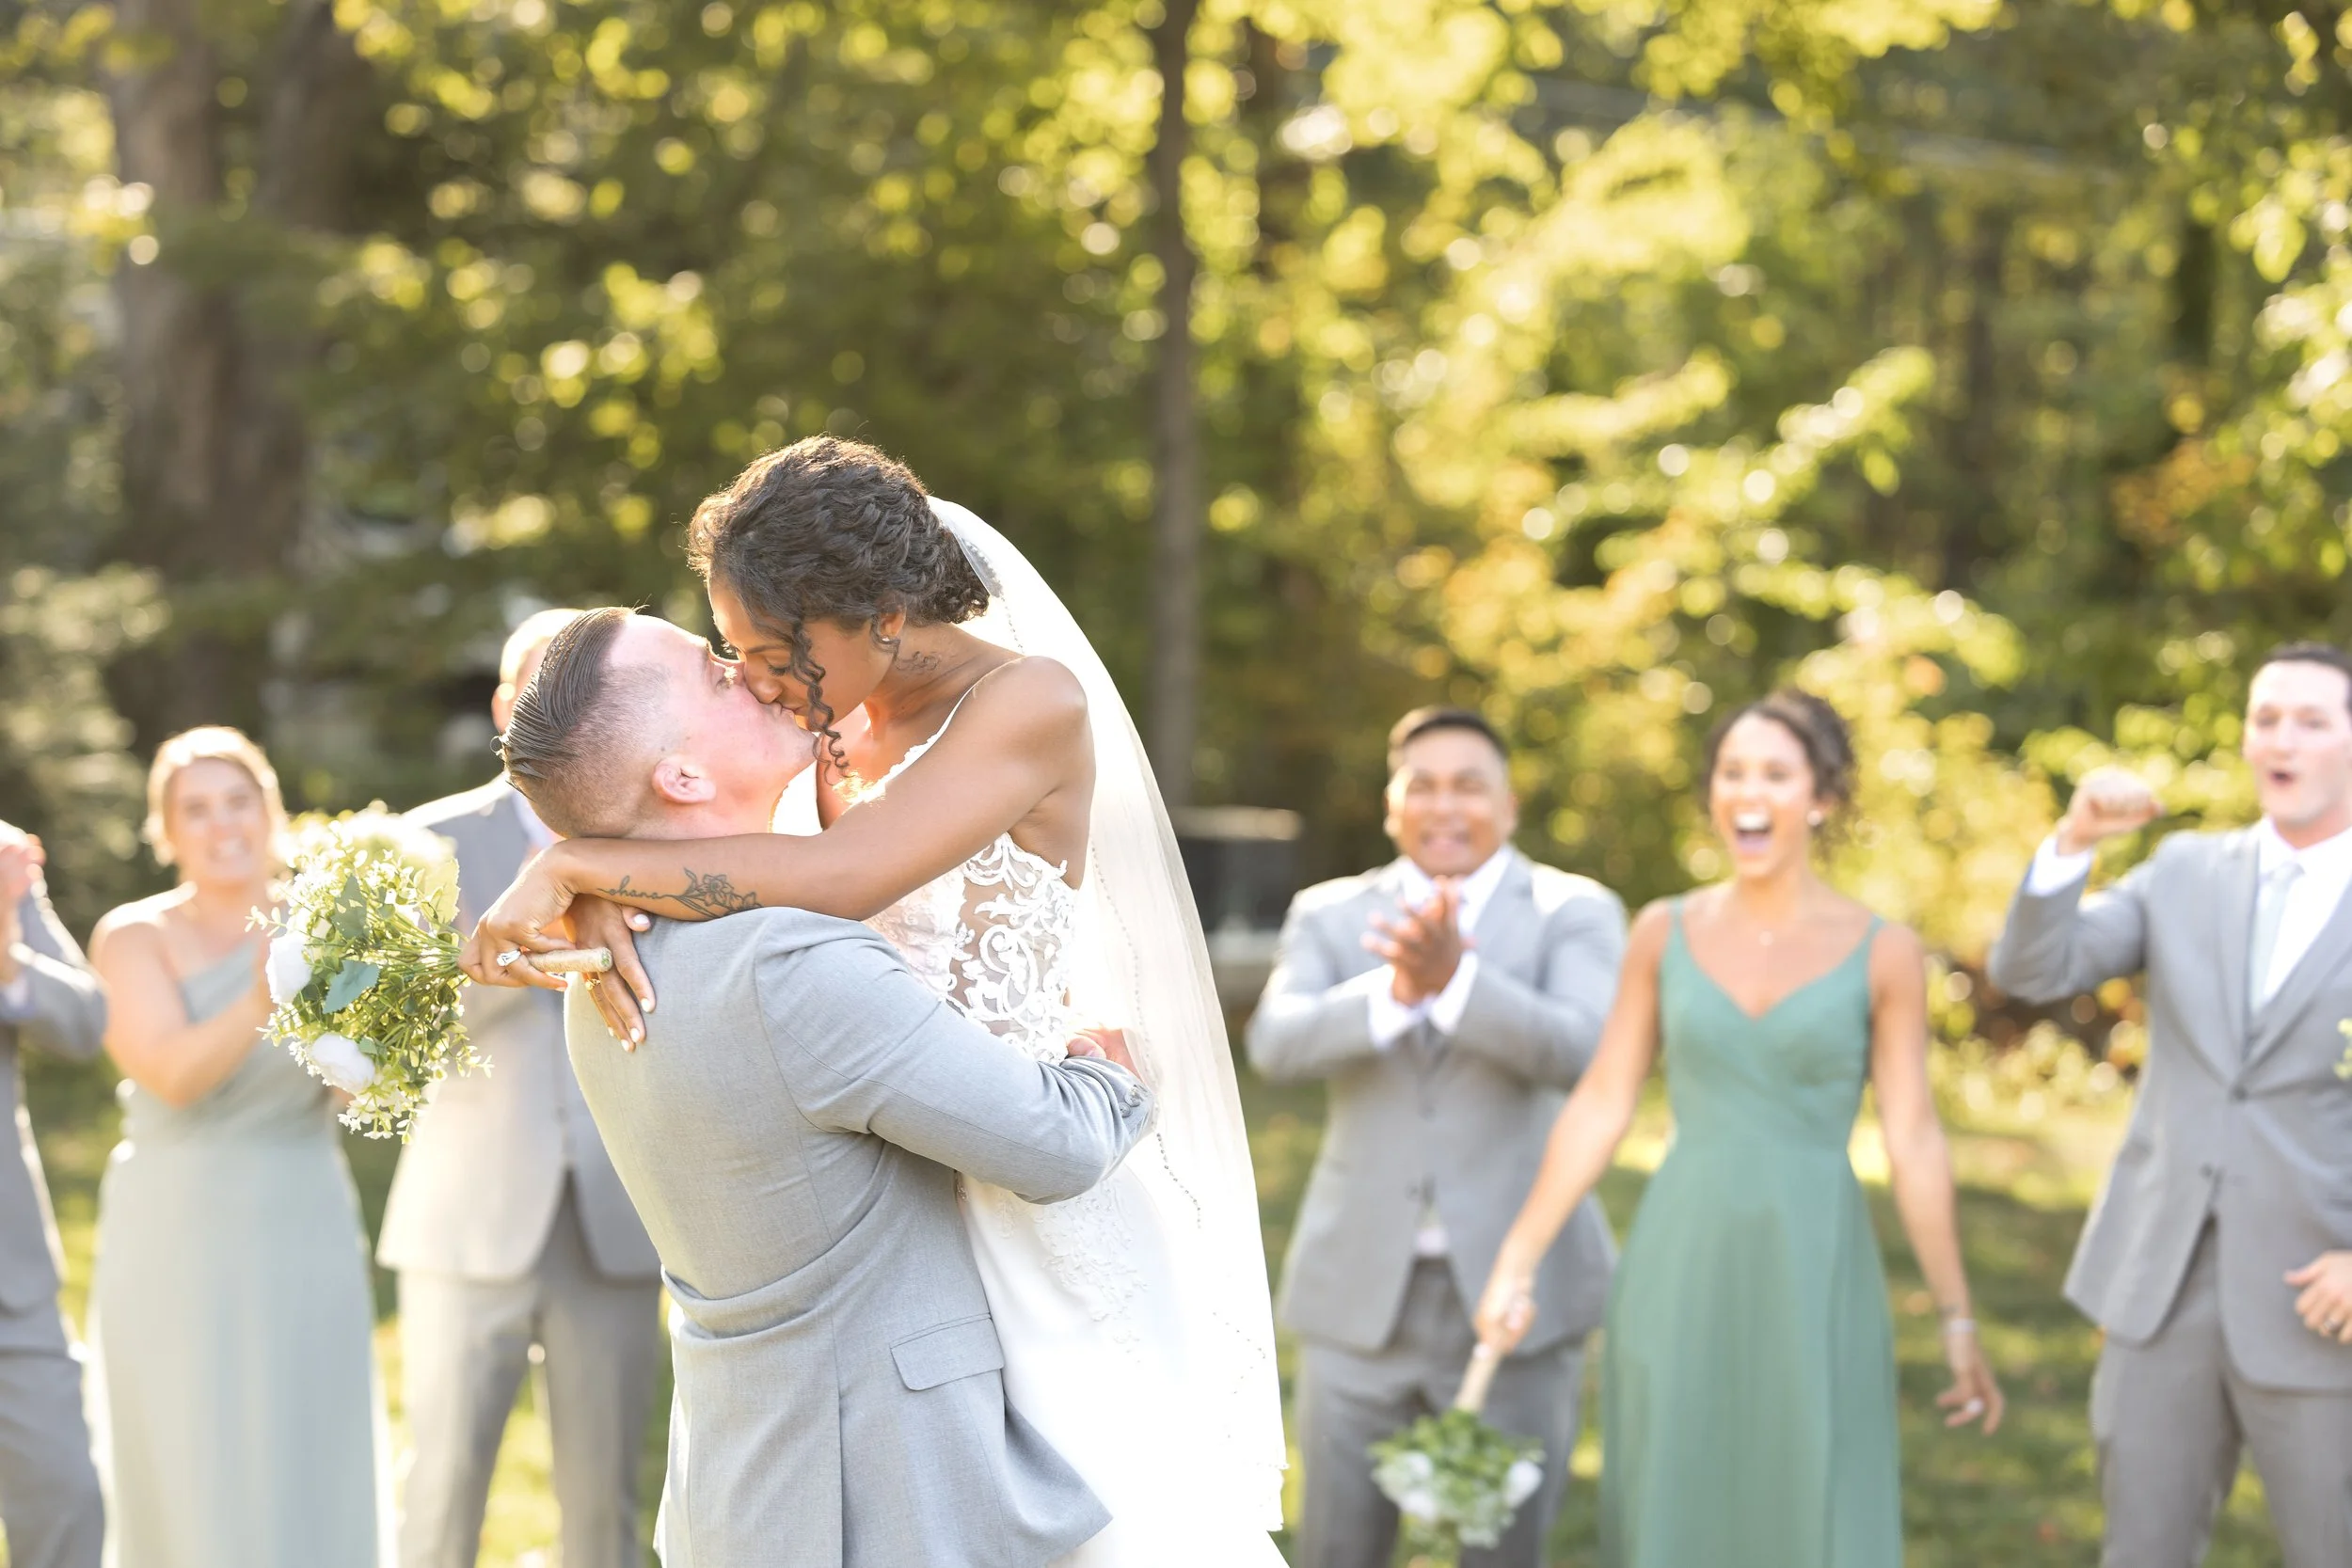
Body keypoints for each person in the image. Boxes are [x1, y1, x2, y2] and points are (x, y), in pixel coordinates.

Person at [458, 439, 1285, 1565]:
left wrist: (579, 866)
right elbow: (711, 842)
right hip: (888, 1194)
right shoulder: (816, 726)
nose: (753, 679)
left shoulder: (1023, 703)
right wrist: (596, 867)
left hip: (1026, 1166)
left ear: (883, 617)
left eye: (762, 652)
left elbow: (845, 882)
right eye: (731, 655)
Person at [498, 605, 1155, 1566]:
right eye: (717, 673)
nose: (750, 672)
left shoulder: (599, 968)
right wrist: (1113, 1069)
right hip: (883, 1488)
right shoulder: (787, 961)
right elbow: (1055, 1145)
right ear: (680, 775)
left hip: (744, 1482)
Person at [1475, 691, 2001, 1568]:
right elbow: (1603, 1100)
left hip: (1816, 1262)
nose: (1748, 791)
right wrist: (1517, 1257)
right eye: (1732, 771)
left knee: (1810, 1503)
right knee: (1677, 1505)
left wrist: (1956, 1318)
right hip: (1681, 1261)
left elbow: (1912, 1138)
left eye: (1775, 773)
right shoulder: (1662, 930)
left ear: (1820, 798)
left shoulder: (1885, 951)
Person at [1988, 641, 2352, 1568]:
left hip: (2322, 1299)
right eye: (2266, 716)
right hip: (2158, 1286)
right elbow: (2034, 967)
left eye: (2312, 719)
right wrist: (2072, 845)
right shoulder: (2185, 869)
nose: (2283, 737)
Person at [1247, 706, 1627, 1568]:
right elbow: (1276, 1044)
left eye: (1469, 784)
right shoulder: (1332, 914)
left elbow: (1586, 1051)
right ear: (1391, 803)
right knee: (1337, 1546)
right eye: (1423, 784)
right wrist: (1398, 991)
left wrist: (1458, 983)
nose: (1444, 804)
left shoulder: (1575, 910)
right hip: (1357, 1291)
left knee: (1502, 1547)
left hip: (1515, 1295)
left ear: (1511, 802)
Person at [379, 610, 661, 1568]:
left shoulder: (664, 844)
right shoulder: (424, 842)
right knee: (440, 1495)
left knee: (605, 1513)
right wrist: (475, 965)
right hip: (468, 1208)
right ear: (507, 705)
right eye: (546, 685)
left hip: (618, 1213)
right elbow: (370, 1026)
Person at [87, 727, 385, 1568]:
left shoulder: (336, 919)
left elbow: (362, 1086)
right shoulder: (132, 935)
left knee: (307, 1439)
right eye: (196, 808)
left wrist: (393, 1027)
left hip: (302, 1211)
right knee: (191, 1445)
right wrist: (266, 982)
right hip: (175, 1226)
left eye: (237, 801)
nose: (223, 825)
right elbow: (173, 1074)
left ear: (269, 809)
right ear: (166, 831)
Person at [0, 819, 107, 1568]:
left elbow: (84, 1021)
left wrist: (6, 950)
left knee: (66, 1497)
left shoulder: (3, 858)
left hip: (10, 1276)